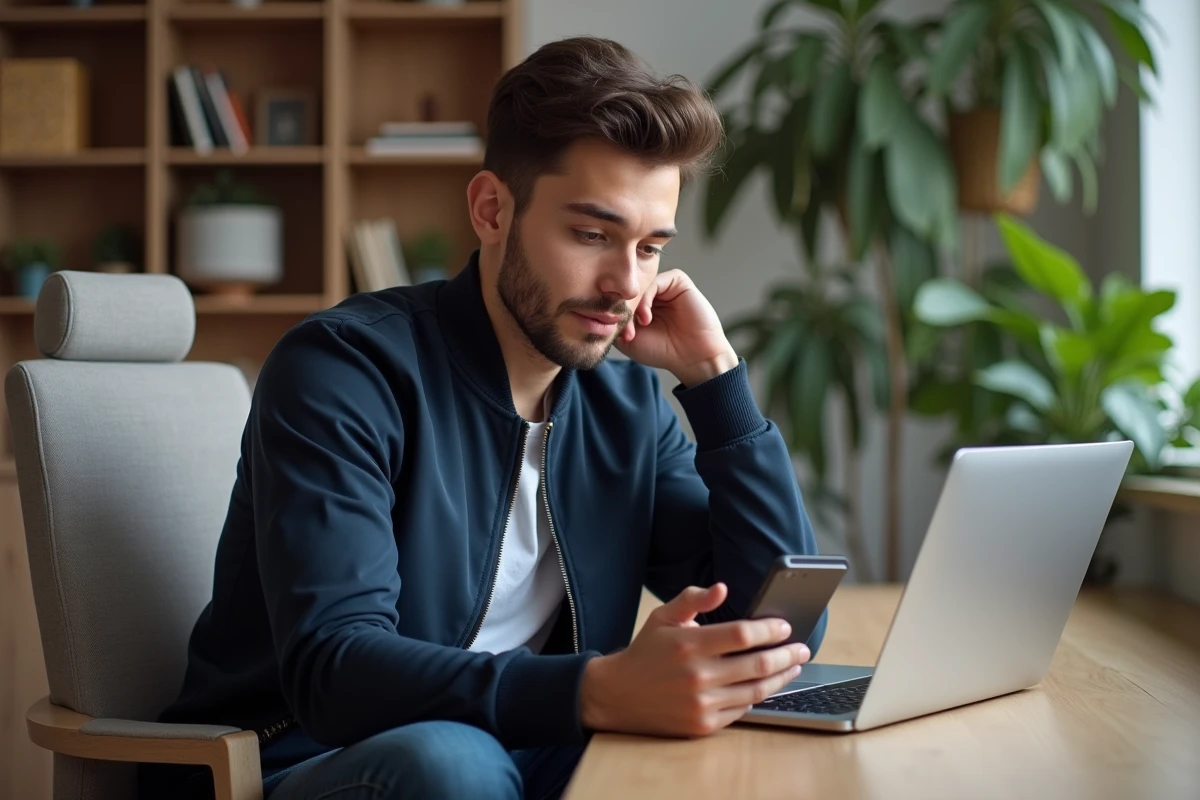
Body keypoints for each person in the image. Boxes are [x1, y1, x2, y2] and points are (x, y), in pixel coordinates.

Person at [141, 35, 826, 800]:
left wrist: (718, 385)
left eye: (648, 247)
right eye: (592, 235)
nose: (623, 284)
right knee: (454, 765)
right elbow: (334, 669)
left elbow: (781, 624)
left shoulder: (624, 406)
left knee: (717, 753)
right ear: (492, 209)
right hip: (301, 761)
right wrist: (595, 690)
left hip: (523, 746)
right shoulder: (344, 371)